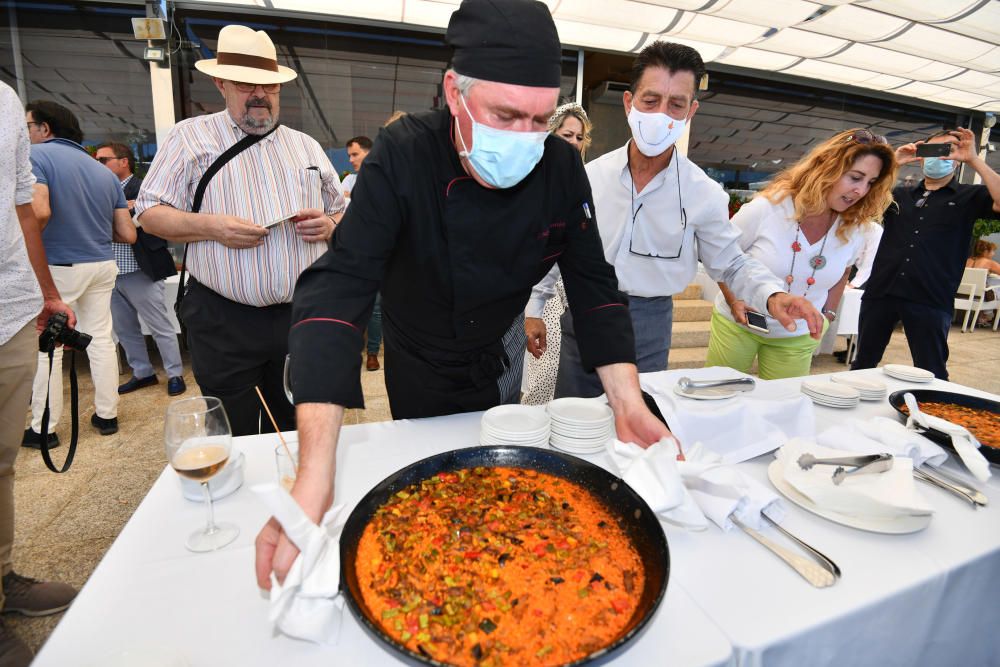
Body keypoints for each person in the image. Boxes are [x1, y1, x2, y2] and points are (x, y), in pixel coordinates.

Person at [257, 0, 675, 588]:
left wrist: (628, 404)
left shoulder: (559, 166)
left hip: (496, 348)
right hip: (419, 354)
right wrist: (315, 470)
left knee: (491, 487)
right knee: (428, 484)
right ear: (455, 92)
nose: (527, 138)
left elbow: (594, 287)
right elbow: (339, 289)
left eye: (540, 120)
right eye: (506, 116)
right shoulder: (403, 153)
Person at [526, 41, 824, 399]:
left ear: (690, 112)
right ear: (628, 103)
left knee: (638, 421)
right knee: (573, 417)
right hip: (586, 311)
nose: (660, 115)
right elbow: (559, 247)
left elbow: (730, 263)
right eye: (650, 101)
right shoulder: (592, 177)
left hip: (649, 323)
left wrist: (772, 294)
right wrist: (535, 306)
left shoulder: (703, 192)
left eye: (676, 104)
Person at [136, 24, 346, 436]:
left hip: (301, 317)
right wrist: (211, 227)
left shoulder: (305, 146)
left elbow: (342, 212)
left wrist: (330, 225)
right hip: (223, 318)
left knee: (299, 426)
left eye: (269, 86)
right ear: (221, 83)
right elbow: (148, 213)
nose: (259, 94)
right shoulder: (189, 137)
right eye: (246, 83)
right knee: (235, 432)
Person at [705, 129, 897, 379]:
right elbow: (723, 256)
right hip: (739, 324)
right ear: (826, 169)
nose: (861, 190)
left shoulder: (856, 226)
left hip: (797, 336)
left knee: (784, 409)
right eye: (855, 177)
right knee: (719, 397)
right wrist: (734, 301)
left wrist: (827, 314)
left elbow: (844, 272)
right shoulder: (767, 208)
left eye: (870, 182)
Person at [0, 80, 78, 667]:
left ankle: (2, 578)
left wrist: (46, 292)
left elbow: (26, 207)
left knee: (2, 463)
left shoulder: (4, 100)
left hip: (9, 307)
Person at [22, 101, 136, 446]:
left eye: (28, 125)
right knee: (101, 338)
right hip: (101, 264)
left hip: (60, 266)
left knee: (49, 345)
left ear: (45, 128)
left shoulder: (36, 157)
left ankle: (44, 429)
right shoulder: (102, 172)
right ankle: (106, 415)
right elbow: (127, 234)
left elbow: (39, 211)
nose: (25, 133)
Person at [851, 128, 1000, 379]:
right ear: (922, 155)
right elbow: (859, 204)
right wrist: (893, 164)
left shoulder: (969, 196)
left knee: (932, 370)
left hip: (930, 295)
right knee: (863, 362)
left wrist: (974, 159)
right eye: (933, 150)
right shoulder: (899, 194)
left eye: (949, 150)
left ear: (957, 158)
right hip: (882, 290)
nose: (939, 157)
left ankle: (930, 416)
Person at [94, 142, 186, 397]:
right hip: (111, 273)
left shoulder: (145, 189)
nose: (98, 164)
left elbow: (166, 218)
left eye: (104, 160)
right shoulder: (100, 190)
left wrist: (134, 210)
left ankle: (175, 373)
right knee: (124, 328)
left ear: (124, 162)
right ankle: (142, 372)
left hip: (141, 270)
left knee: (159, 325)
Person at [522, 102, 592, 405]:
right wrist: (533, 310)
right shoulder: (531, 179)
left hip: (573, 295)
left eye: (579, 137)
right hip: (541, 292)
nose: (574, 143)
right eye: (567, 135)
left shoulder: (584, 181)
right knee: (542, 378)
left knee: (563, 383)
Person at [342, 135, 382, 371]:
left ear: (368, 152)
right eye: (348, 155)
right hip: (353, 250)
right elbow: (341, 211)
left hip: (378, 251)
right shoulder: (348, 182)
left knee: (376, 307)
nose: (350, 160)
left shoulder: (383, 178)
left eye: (355, 154)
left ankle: (373, 353)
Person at [966, 239, 1000, 327]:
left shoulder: (968, 261)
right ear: (985, 251)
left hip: (967, 293)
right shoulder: (989, 262)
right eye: (992, 251)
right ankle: (987, 316)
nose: (994, 254)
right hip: (983, 295)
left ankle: (983, 316)